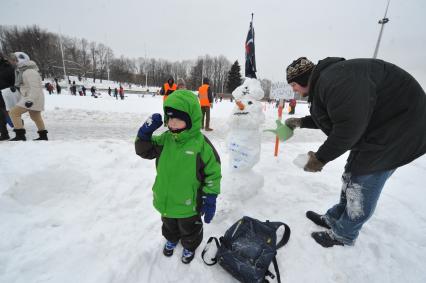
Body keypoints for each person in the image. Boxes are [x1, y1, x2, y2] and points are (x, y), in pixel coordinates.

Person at [284, 57, 426, 248]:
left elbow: (347, 129)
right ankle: (334, 218)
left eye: (293, 84)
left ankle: (344, 234)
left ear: (304, 79)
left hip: (401, 131)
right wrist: (301, 121)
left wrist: (319, 158)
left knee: (363, 180)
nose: (293, 89)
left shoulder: (336, 81)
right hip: (379, 127)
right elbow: (335, 115)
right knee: (351, 173)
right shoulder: (327, 81)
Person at [135, 90, 221, 264]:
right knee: (169, 224)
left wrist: (210, 196)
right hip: (166, 199)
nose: (172, 123)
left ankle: (189, 246)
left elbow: (213, 172)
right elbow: (144, 151)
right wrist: (144, 135)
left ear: (190, 120)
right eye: (169, 118)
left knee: (190, 229)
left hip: (189, 204)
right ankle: (172, 239)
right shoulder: (165, 139)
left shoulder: (201, 145)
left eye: (178, 119)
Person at [8, 52, 48, 141]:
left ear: (21, 60)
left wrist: (30, 100)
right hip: (32, 98)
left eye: (15, 60)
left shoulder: (29, 72)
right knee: (36, 117)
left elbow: (35, 88)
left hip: (31, 98)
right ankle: (43, 136)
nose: (13, 62)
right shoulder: (24, 71)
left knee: (14, 113)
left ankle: (20, 135)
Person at [0, 53, 16, 141]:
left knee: (9, 113)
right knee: (1, 114)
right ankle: (4, 133)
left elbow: (13, 80)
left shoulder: (8, 67)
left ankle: (18, 129)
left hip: (6, 93)